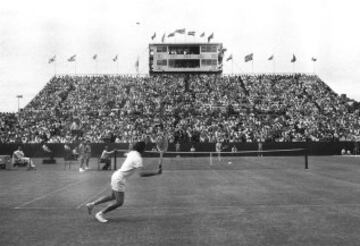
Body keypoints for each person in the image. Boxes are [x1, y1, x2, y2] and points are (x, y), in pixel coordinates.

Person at [86, 141, 162, 223]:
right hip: (119, 179)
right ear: (142, 149)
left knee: (112, 196)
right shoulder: (138, 158)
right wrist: (156, 172)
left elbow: (127, 153)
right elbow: (141, 173)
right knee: (119, 202)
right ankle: (100, 214)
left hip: (116, 176)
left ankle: (92, 204)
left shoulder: (132, 153)